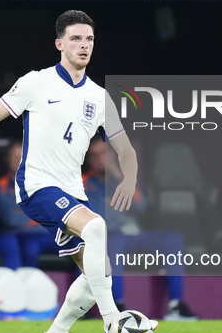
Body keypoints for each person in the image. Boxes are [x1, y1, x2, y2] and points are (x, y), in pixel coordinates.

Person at [0, 10, 153, 333]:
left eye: (89, 39)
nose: (84, 45)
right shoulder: (36, 82)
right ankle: (113, 321)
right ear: (59, 44)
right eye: (76, 39)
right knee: (96, 228)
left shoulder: (98, 96)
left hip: (71, 192)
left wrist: (129, 179)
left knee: (99, 273)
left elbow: (125, 149)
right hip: (36, 186)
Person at [84, 137, 198, 321]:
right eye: (94, 156)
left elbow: (141, 205)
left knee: (173, 239)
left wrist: (118, 176)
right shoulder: (86, 183)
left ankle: (176, 305)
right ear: (89, 160)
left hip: (134, 234)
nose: (99, 159)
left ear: (112, 155)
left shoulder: (121, 178)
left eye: (103, 154)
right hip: (110, 235)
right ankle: (117, 307)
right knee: (112, 242)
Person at [0, 141, 56, 268]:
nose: (19, 160)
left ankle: (90, 288)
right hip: (23, 236)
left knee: (84, 246)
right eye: (14, 156)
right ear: (7, 159)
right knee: (30, 247)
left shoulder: (44, 182)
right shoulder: (1, 186)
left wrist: (24, 210)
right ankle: (27, 287)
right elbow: (11, 219)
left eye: (23, 155)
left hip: (51, 235)